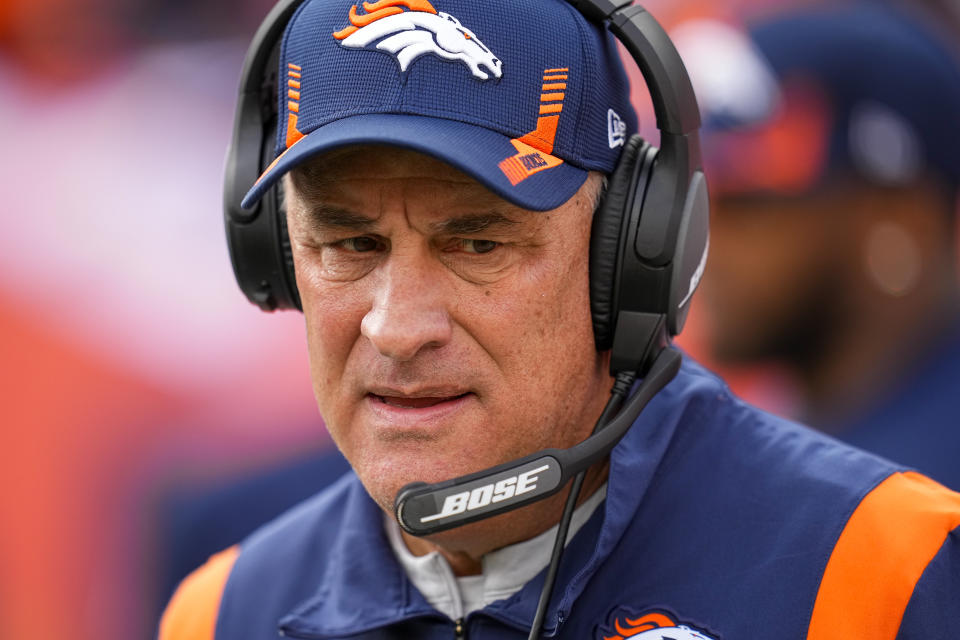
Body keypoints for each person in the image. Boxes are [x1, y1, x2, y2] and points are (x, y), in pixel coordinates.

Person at [159, 1, 960, 638]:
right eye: (348, 244)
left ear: (634, 256)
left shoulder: (884, 569)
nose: (397, 329)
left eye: (477, 242)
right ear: (274, 257)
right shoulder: (223, 614)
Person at [683, 3, 960, 489]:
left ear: (898, 223)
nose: (704, 243)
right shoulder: (818, 431)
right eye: (701, 197)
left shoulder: (929, 495)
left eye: (749, 207)